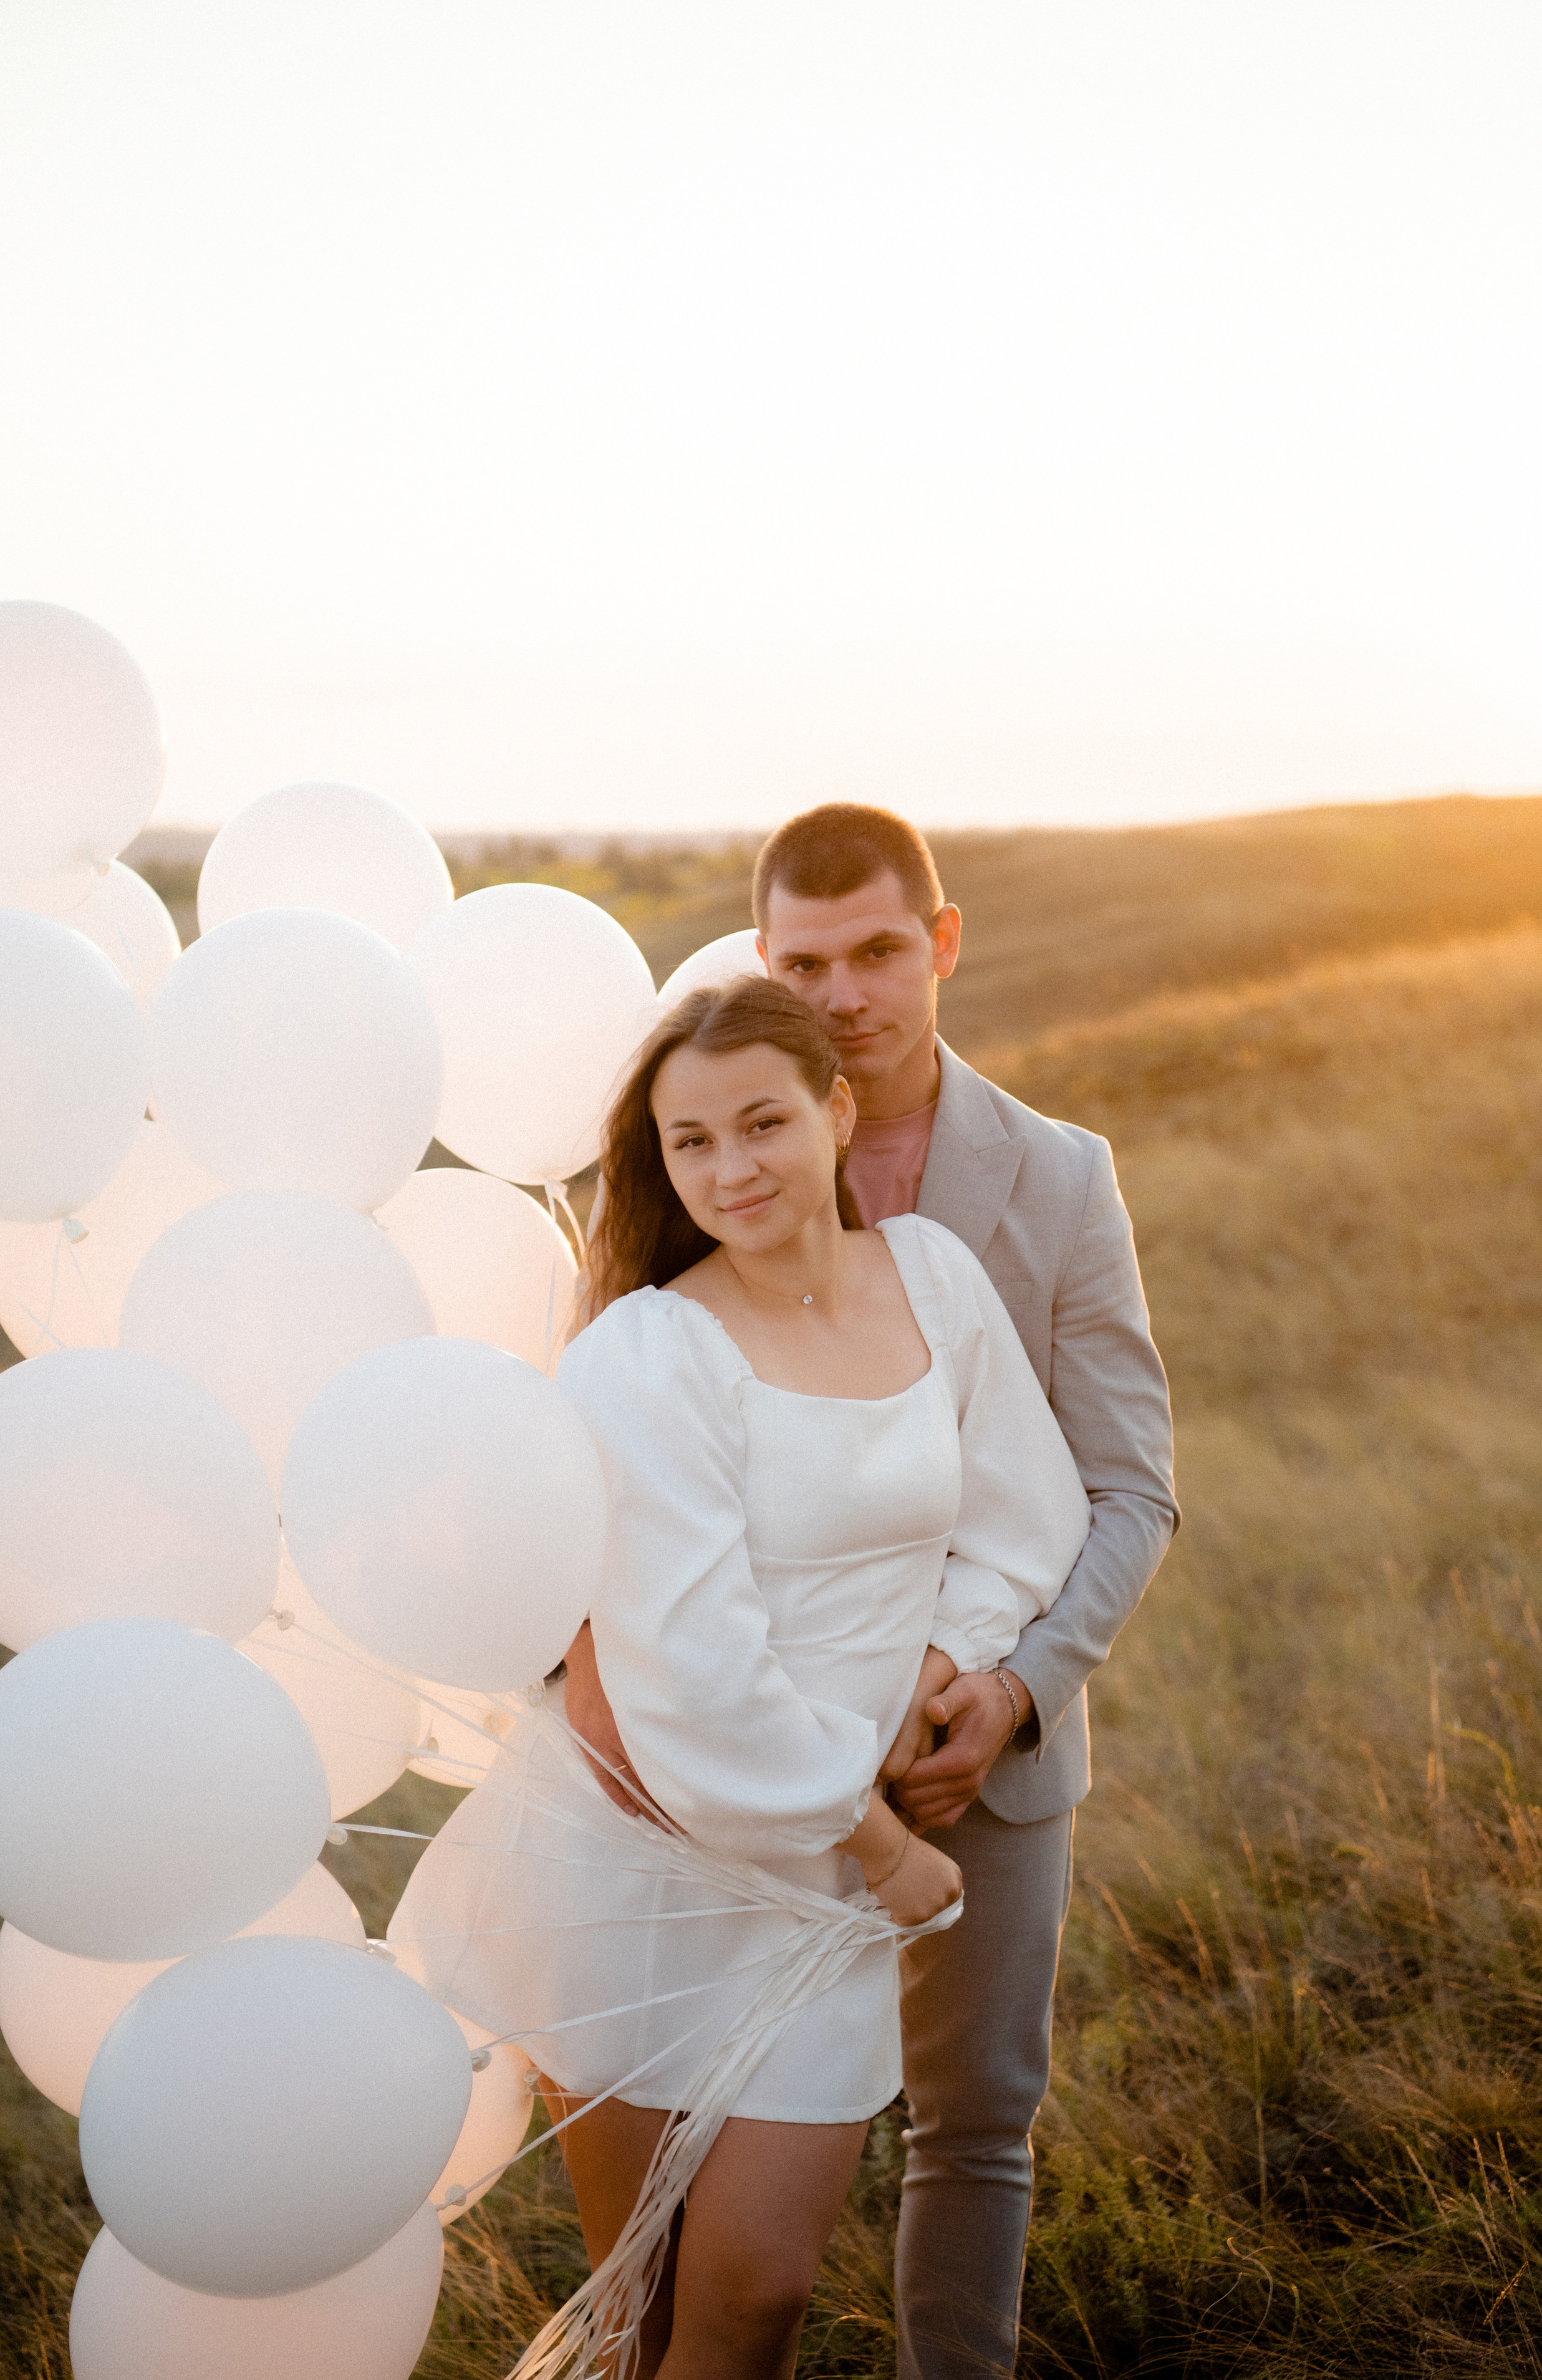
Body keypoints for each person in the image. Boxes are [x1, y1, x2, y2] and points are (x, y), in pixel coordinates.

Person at [393, 976, 1091, 2380]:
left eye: (761, 1122)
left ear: (837, 1113)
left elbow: (1025, 1510)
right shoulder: (648, 1355)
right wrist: (877, 1837)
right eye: (690, 1143)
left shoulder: (935, 1281)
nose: (730, 1169)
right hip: (650, 1861)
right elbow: (690, 1668)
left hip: (814, 1895)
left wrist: (946, 1659)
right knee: (644, 2306)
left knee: (760, 2295)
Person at [567, 804, 1179, 2377]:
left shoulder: (1051, 1181)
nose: (844, 989)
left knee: (973, 2121)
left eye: (877, 953)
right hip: (725, 1783)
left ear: (941, 943)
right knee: (716, 2254)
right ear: (764, 966)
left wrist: (1005, 1680)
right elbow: (595, 1493)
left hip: (984, 1734)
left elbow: (1116, 1486)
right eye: (803, 961)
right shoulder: (698, 1174)